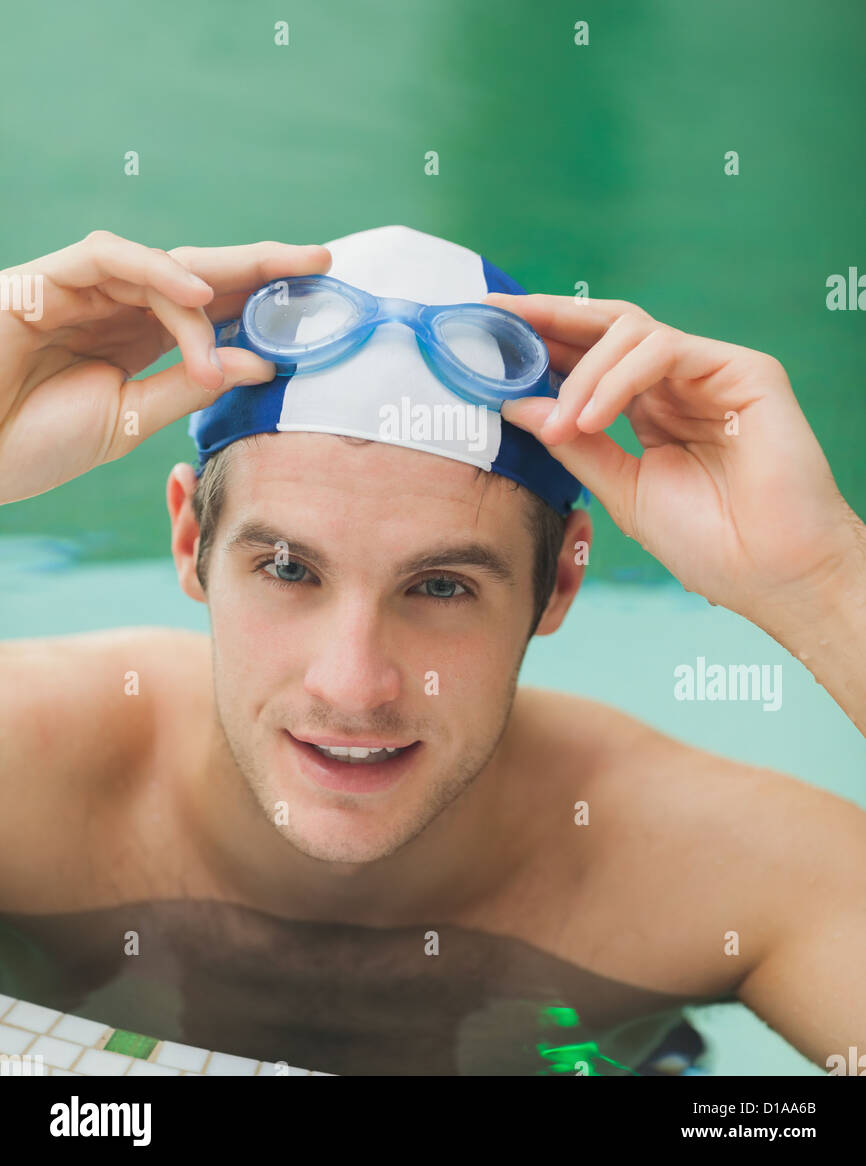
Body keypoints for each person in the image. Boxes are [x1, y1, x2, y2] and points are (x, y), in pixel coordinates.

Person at [0, 224, 863, 1077]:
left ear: (561, 582)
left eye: (442, 587)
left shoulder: (714, 872)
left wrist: (820, 582)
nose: (353, 686)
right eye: (290, 569)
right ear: (190, 541)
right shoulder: (26, 773)